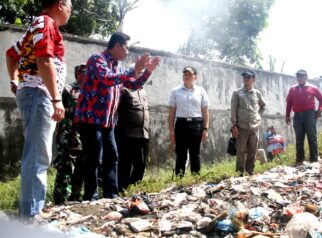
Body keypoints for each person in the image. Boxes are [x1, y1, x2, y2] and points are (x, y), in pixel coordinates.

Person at [5, 0, 72, 219]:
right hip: (39, 94)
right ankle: (30, 217)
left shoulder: (36, 26)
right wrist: (56, 99)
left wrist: (15, 81)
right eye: (70, 5)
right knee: (37, 156)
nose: (71, 11)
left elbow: (11, 54)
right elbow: (44, 60)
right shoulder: (45, 22)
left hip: (34, 93)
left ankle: (32, 210)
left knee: (38, 154)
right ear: (60, 4)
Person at [74, 32, 160, 200]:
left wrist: (147, 71)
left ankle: (111, 194)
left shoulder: (118, 67)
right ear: (117, 46)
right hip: (90, 119)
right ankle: (90, 196)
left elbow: (133, 85)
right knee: (94, 157)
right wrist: (134, 69)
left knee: (112, 156)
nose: (128, 52)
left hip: (108, 120)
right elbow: (107, 79)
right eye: (127, 48)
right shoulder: (97, 59)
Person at [53, 64, 87, 204]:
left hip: (83, 136)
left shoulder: (91, 90)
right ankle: (61, 199)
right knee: (65, 167)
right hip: (68, 135)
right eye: (84, 72)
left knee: (80, 168)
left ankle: (76, 197)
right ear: (77, 74)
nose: (87, 74)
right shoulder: (68, 90)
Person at [168, 66, 209, 177]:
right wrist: (171, 130)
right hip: (181, 125)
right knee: (181, 154)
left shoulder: (201, 91)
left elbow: (205, 112)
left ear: (195, 77)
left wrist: (205, 129)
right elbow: (171, 113)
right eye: (185, 74)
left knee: (195, 154)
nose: (187, 76)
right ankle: (179, 180)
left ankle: (195, 180)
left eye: (189, 74)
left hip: (196, 125)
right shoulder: (175, 91)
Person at [231, 69, 266, 176]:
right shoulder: (237, 93)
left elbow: (263, 106)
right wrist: (234, 126)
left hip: (254, 127)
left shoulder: (257, 93)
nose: (246, 79)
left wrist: (258, 116)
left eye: (248, 77)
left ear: (253, 79)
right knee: (240, 151)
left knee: (252, 150)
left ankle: (250, 171)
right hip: (242, 126)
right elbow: (233, 109)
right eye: (244, 77)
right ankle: (239, 173)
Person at [115, 86, 149, 191]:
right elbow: (116, 109)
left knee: (141, 163)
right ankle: (122, 189)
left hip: (143, 134)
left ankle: (132, 187)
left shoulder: (143, 91)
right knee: (125, 164)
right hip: (127, 134)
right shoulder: (125, 91)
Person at [286, 69, 322, 165]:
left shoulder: (313, 87)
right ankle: (300, 160)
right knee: (299, 138)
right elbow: (289, 103)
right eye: (298, 76)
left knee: (312, 137)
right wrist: (287, 115)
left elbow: (321, 99)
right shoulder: (292, 89)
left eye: (302, 76)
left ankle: (314, 160)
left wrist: (319, 110)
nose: (300, 78)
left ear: (306, 77)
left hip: (310, 115)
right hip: (297, 115)